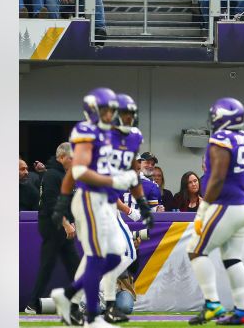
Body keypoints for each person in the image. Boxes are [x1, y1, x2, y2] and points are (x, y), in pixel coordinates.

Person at [49, 89, 144, 328]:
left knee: (114, 257)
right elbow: (77, 171)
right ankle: (92, 316)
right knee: (98, 257)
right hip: (90, 199)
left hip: (106, 202)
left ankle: (68, 296)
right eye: (107, 110)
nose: (112, 114)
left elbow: (127, 166)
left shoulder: (116, 136)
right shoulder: (86, 132)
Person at [181, 98, 244, 324]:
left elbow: (217, 177)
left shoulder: (222, 139)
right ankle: (242, 312)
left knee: (195, 250)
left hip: (228, 205)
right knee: (232, 258)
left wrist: (204, 207)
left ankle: (212, 304)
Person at [27, 143, 81, 315]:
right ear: (62, 157)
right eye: (72, 157)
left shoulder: (63, 174)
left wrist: (71, 222)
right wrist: (66, 224)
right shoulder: (52, 175)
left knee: (73, 265)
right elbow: (51, 205)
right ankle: (32, 303)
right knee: (49, 266)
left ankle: (83, 301)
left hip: (60, 226)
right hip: (52, 226)